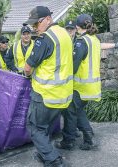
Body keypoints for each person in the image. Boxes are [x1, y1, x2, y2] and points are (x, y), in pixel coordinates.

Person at [24, 6, 73, 167]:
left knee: (35, 127)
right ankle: (43, 154)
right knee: (44, 126)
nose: (34, 28)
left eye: (36, 24)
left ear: (47, 19)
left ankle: (54, 160)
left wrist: (27, 74)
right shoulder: (64, 34)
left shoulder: (45, 39)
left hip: (45, 94)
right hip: (62, 94)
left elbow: (28, 68)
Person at [56, 14, 101, 151]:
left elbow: (73, 66)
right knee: (77, 110)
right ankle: (87, 137)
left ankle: (70, 141)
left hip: (80, 86)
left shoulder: (82, 42)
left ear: (77, 27)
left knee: (70, 111)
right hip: (91, 85)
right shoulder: (94, 39)